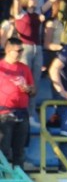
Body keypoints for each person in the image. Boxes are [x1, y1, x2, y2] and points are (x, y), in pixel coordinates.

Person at [0, 37, 34, 168]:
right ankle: (3, 178)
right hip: (4, 113)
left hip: (22, 113)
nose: (21, 53)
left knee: (19, 151)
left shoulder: (24, 68)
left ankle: (19, 176)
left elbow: (33, 90)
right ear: (8, 50)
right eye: (18, 51)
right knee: (3, 149)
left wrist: (29, 89)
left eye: (22, 50)